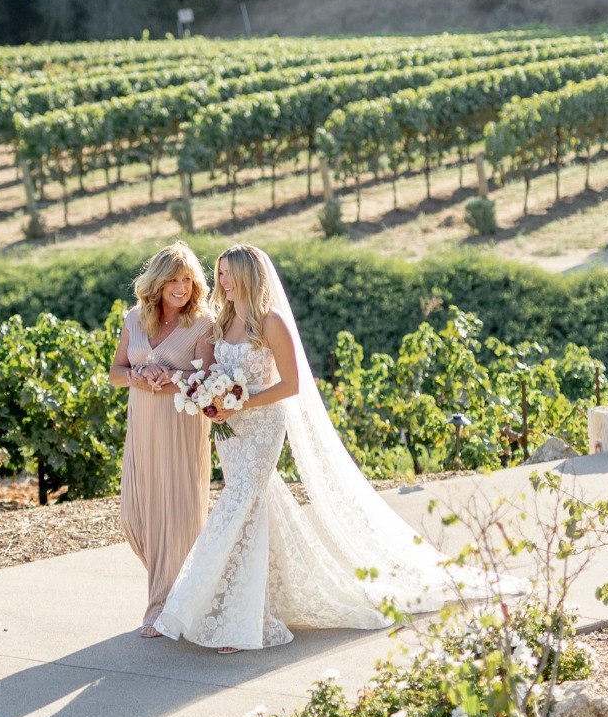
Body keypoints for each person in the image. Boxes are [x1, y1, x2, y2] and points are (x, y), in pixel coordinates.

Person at [155, 244, 492, 653]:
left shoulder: (271, 323)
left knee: (239, 504)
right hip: (233, 429)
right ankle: (256, 603)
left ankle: (238, 620)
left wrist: (240, 400)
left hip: (263, 425)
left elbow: (290, 386)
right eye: (220, 273)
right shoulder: (222, 323)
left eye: (228, 274)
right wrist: (207, 396)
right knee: (254, 505)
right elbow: (211, 373)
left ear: (248, 276)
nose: (221, 281)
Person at [110, 242, 213, 636]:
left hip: (181, 425)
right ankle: (177, 593)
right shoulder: (135, 319)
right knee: (135, 516)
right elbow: (116, 371)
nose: (181, 286)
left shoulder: (202, 324)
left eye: (188, 279)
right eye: (174, 277)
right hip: (143, 426)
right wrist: (136, 377)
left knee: (180, 516)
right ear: (157, 280)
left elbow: (205, 378)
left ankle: (161, 605)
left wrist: (173, 379)